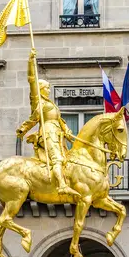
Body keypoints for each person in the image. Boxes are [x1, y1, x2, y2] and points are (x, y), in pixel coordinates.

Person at [16, 48, 79, 196]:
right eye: (47, 88)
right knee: (57, 158)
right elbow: (31, 79)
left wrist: (67, 131)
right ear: (41, 89)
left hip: (57, 133)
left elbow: (59, 119)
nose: (49, 91)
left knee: (65, 159)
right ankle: (62, 185)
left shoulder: (49, 103)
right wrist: (31, 61)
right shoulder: (37, 100)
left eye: (49, 88)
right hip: (48, 133)